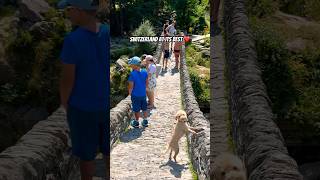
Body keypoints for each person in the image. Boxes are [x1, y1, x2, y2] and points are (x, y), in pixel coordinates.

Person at [58, 0, 109, 179]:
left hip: (82, 108)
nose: (68, 13)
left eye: (70, 9)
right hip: (106, 105)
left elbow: (67, 79)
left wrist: (65, 103)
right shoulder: (107, 32)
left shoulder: (73, 40)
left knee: (86, 156)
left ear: (80, 10)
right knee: (108, 151)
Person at [128, 56, 149, 128]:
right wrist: (143, 89)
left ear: (134, 65)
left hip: (135, 95)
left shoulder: (132, 74)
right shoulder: (144, 71)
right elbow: (147, 83)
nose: (130, 66)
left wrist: (130, 93)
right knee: (144, 108)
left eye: (131, 64)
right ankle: (145, 121)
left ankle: (136, 122)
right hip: (143, 94)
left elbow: (131, 86)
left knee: (136, 109)